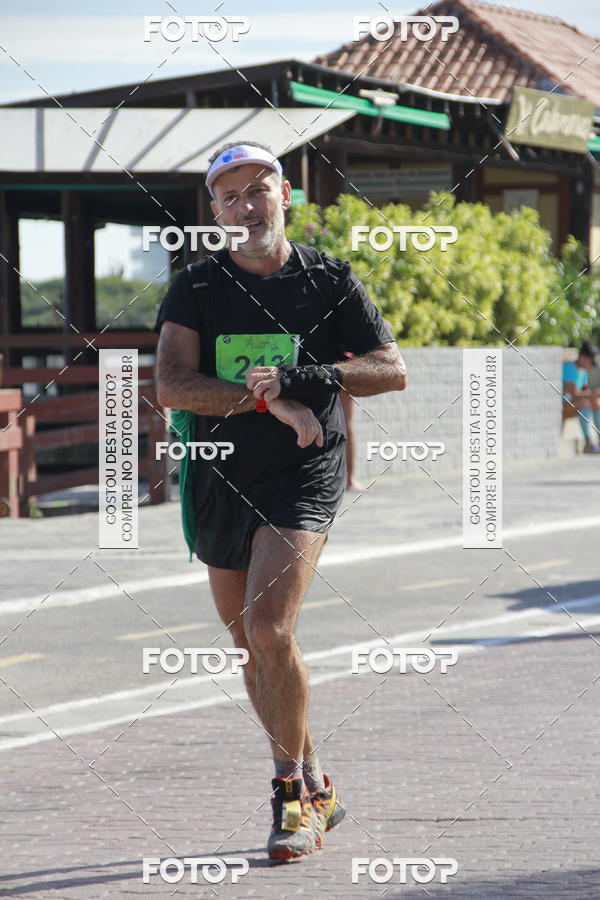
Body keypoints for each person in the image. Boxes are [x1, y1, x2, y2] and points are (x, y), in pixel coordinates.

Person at [154, 141, 407, 861]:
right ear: (215, 212)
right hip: (219, 477)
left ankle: (291, 798)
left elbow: (391, 370)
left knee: (270, 628)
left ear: (285, 194)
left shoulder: (330, 280)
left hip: (303, 474)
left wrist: (307, 379)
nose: (246, 207)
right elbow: (172, 386)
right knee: (250, 647)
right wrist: (265, 404)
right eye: (230, 197)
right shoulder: (197, 288)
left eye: (257, 190)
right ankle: (321, 782)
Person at [562, 340, 600, 453]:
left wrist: (595, 395)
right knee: (585, 404)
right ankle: (587, 442)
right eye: (591, 361)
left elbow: (585, 391)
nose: (593, 365)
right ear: (583, 357)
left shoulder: (582, 372)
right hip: (560, 407)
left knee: (596, 402)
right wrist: (594, 393)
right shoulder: (570, 368)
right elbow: (574, 394)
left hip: (571, 404)